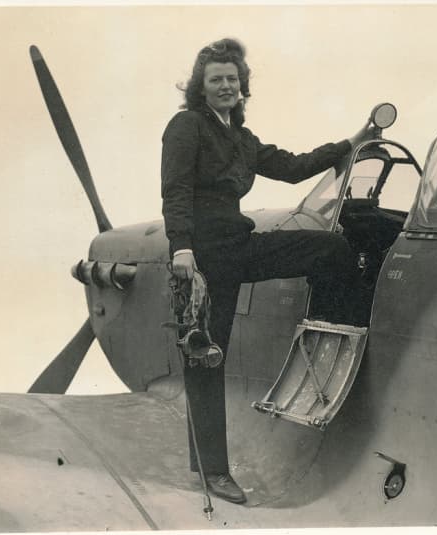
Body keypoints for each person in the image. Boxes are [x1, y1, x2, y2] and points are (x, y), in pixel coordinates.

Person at [160, 37, 373, 505]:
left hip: (239, 246)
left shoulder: (240, 137)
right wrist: (182, 250)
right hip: (202, 259)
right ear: (200, 86)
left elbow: (294, 168)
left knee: (330, 249)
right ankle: (213, 471)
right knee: (206, 360)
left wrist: (351, 144)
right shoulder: (186, 126)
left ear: (242, 87)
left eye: (231, 80)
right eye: (215, 79)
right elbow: (174, 190)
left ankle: (331, 345)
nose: (224, 86)